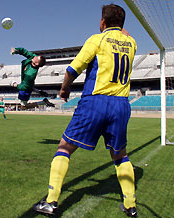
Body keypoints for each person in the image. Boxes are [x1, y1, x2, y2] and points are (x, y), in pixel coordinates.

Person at [33, 4, 137, 217]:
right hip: (121, 104)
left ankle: (51, 201)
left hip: (95, 101)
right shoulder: (132, 43)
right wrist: (121, 29)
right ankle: (130, 204)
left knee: (64, 147)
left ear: (102, 22)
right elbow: (125, 35)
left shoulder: (96, 39)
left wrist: (64, 89)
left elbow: (73, 69)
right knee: (120, 155)